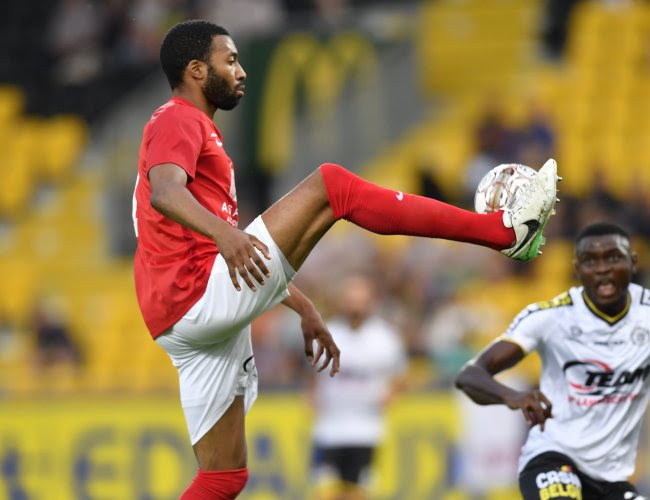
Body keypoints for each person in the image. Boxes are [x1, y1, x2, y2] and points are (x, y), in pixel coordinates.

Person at [132, 19, 559, 499]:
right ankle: (502, 232)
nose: (241, 71)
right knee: (332, 185)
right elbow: (165, 193)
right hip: (193, 296)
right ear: (195, 70)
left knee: (223, 477)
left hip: (181, 317)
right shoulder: (177, 118)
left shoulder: (190, 130)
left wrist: (302, 305)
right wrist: (227, 236)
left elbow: (215, 244)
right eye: (229, 61)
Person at [455, 222, 650, 500]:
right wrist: (514, 396)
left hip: (612, 479)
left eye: (613, 257)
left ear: (633, 261)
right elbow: (470, 375)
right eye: (590, 261)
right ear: (578, 269)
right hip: (553, 460)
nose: (602, 268)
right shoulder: (550, 317)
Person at [308, 273, 407, 500]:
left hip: (366, 429)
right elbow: (312, 372)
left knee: (358, 491)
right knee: (325, 490)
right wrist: (312, 394)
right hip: (329, 428)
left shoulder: (385, 338)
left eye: (360, 300)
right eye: (350, 299)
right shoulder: (326, 333)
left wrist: (391, 395)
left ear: (370, 302)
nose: (355, 305)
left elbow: (402, 376)